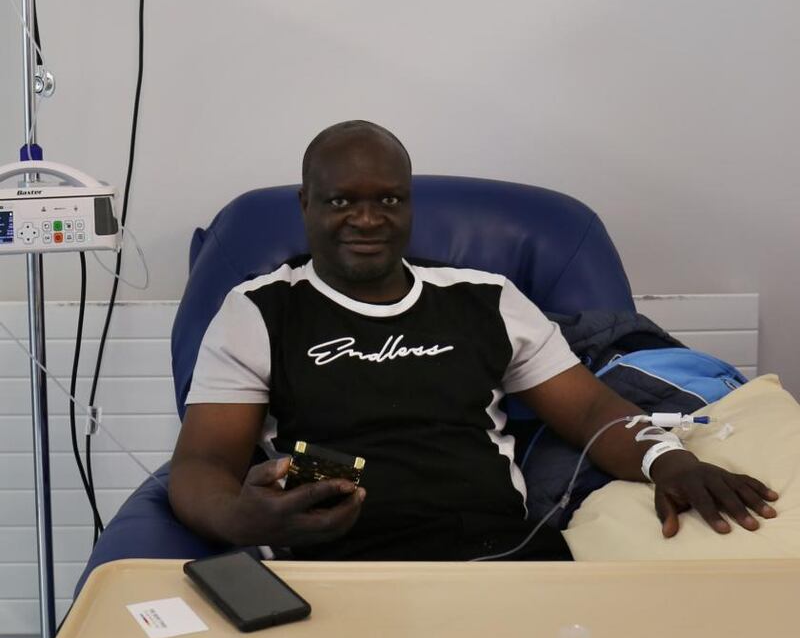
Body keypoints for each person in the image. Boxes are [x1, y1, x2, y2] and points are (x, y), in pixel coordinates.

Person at [168, 120, 778, 560]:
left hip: (503, 559)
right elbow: (202, 464)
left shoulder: (485, 297)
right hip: (341, 569)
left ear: (410, 205)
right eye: (340, 201)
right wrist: (241, 517)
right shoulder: (258, 310)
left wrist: (670, 460)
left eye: (388, 199)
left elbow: (589, 407)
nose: (367, 218)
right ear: (306, 205)